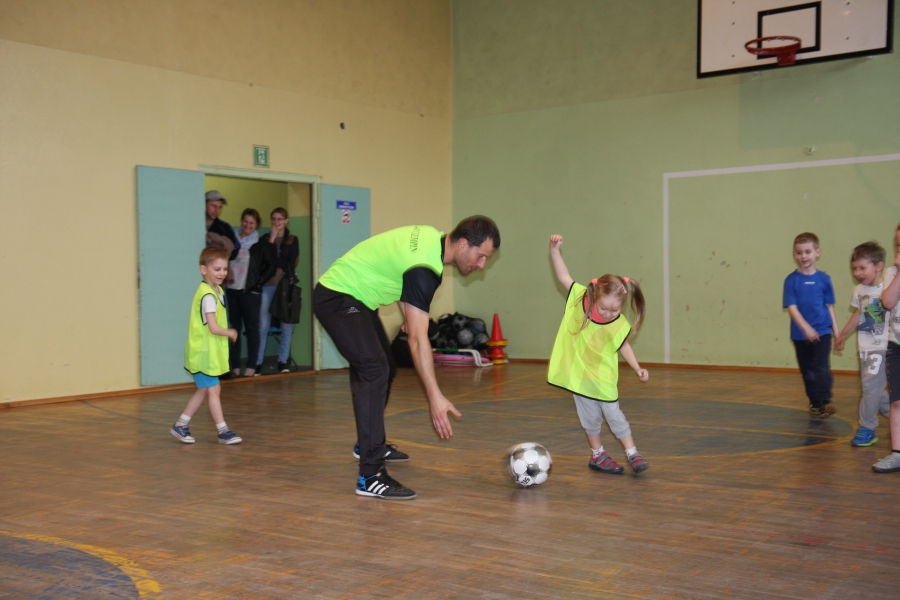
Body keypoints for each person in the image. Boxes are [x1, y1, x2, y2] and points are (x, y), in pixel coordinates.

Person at [313, 216, 500, 500]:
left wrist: (409, 316)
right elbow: (417, 340)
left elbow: (400, 274)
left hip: (357, 299)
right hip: (338, 297)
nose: (482, 264)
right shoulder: (425, 269)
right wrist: (435, 396)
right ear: (463, 244)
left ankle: (369, 445)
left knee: (384, 369)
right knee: (374, 370)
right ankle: (370, 476)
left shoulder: (430, 239)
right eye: (481, 256)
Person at [547, 234, 650, 475]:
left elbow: (623, 345)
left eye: (615, 310)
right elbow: (564, 276)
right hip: (581, 376)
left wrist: (637, 368)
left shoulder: (617, 322)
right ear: (594, 297)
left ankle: (633, 454)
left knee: (615, 416)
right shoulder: (580, 299)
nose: (609, 313)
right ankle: (597, 455)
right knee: (590, 420)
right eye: (604, 308)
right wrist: (554, 251)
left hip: (604, 377)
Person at [171, 246, 243, 445]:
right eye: (217, 269)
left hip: (208, 353)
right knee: (213, 390)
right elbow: (212, 327)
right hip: (203, 352)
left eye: (224, 269)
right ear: (204, 270)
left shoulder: (216, 291)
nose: (222, 273)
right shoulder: (208, 296)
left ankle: (181, 424)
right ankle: (223, 430)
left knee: (205, 389)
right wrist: (230, 331)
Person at [835, 241, 891, 447]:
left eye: (862, 267)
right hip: (865, 348)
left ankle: (867, 428)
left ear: (878, 266)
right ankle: (894, 413)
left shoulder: (888, 289)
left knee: (869, 388)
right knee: (873, 389)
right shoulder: (859, 290)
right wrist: (843, 334)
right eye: (854, 268)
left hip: (883, 347)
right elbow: (859, 314)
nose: (857, 272)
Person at [783, 232, 840, 418]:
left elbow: (829, 307)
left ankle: (825, 399)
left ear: (818, 252)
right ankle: (815, 402)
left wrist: (837, 332)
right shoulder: (791, 281)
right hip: (800, 335)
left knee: (821, 366)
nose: (804, 256)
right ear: (794, 254)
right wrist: (806, 328)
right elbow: (792, 308)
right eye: (799, 252)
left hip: (822, 331)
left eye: (808, 251)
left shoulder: (824, 279)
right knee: (807, 370)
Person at [225, 208, 275, 378]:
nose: (247, 225)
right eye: (245, 221)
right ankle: (236, 366)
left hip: (250, 293)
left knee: (253, 329)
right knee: (234, 330)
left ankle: (252, 365)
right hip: (232, 291)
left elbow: (271, 266)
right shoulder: (232, 241)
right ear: (241, 221)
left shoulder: (260, 244)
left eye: (251, 223)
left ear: (257, 225)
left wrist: (258, 282)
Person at [255, 208, 300, 374]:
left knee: (287, 326)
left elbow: (290, 262)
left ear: (286, 220)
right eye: (274, 219)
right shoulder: (265, 238)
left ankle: (282, 362)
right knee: (263, 326)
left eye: (280, 219)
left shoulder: (292, 240)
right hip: (267, 286)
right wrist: (271, 241)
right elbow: (260, 260)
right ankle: (258, 363)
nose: (277, 222)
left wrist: (272, 254)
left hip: (285, 287)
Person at [873, 224, 900, 472]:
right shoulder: (892, 273)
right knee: (897, 401)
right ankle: (897, 453)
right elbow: (888, 302)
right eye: (899, 244)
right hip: (897, 344)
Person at [205, 190, 238, 260]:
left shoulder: (225, 227)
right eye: (213, 206)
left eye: (220, 207)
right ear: (204, 205)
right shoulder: (194, 225)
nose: (217, 210)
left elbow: (236, 248)